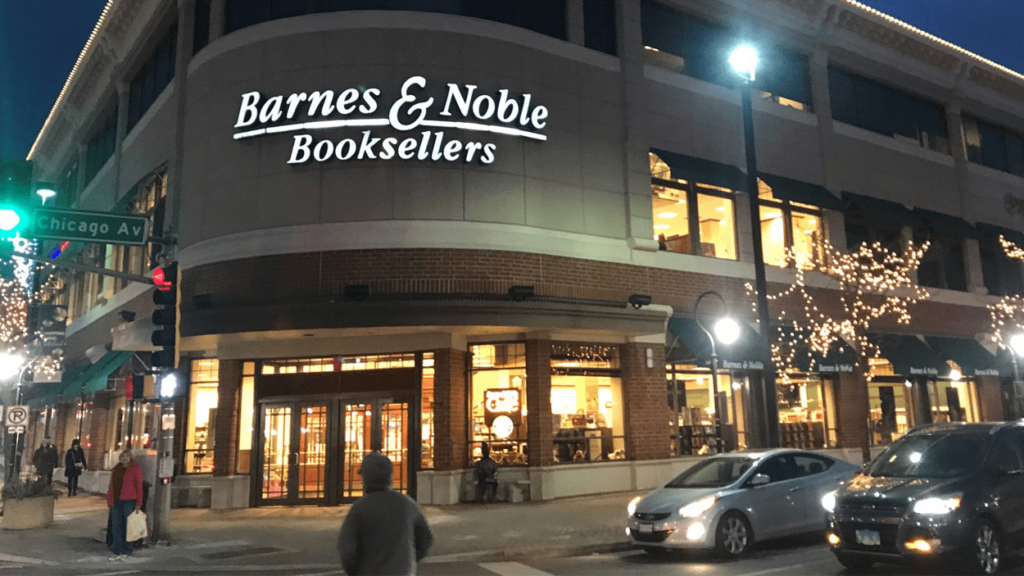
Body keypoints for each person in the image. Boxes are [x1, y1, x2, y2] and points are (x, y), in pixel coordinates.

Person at [338, 453, 433, 575]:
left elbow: (347, 551)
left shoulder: (359, 508)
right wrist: (409, 560)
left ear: (366, 478)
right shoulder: (406, 503)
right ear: (390, 476)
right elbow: (425, 538)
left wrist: (355, 571)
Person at [105, 450, 143, 561]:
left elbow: (139, 486)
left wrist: (138, 502)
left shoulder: (135, 469)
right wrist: (109, 498)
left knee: (128, 526)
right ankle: (117, 550)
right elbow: (111, 484)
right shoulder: (117, 469)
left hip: (129, 500)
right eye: (122, 457)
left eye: (127, 457)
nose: (124, 459)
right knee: (116, 525)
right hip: (116, 499)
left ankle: (127, 549)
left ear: (130, 458)